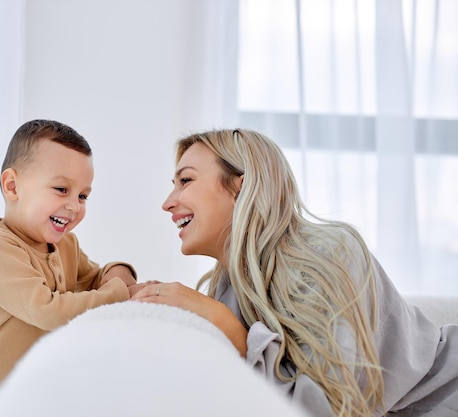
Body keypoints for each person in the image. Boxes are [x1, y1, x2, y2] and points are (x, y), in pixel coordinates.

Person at [132, 128, 458, 417]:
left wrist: (221, 321)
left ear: (241, 189)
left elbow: (329, 406)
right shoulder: (227, 288)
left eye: (185, 180)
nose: (167, 203)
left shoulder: (329, 253)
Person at [0, 119, 142, 417]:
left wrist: (122, 276)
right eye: (61, 189)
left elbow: (97, 278)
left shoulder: (65, 246)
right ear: (12, 186)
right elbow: (49, 311)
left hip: (17, 402)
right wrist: (122, 292)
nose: (74, 206)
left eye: (83, 195)